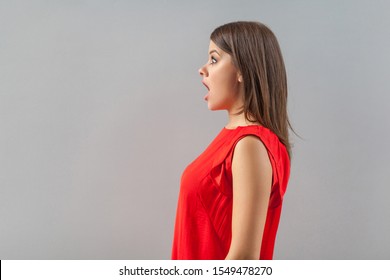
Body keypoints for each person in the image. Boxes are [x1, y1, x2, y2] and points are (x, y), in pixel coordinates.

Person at [171, 21, 292, 260]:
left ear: (242, 70)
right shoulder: (234, 139)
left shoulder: (250, 145)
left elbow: (243, 259)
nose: (202, 69)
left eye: (214, 59)